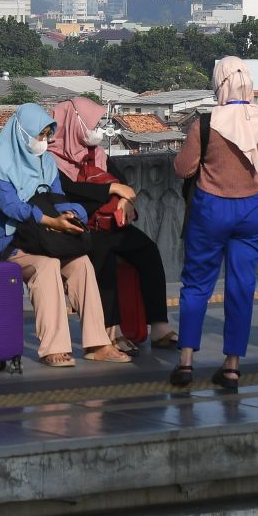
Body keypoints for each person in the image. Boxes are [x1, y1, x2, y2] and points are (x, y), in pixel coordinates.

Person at [0, 104, 131, 367]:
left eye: (47, 135)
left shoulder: (46, 162)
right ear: (21, 132)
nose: (44, 142)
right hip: (11, 242)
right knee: (47, 266)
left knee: (82, 264)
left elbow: (58, 197)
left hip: (44, 238)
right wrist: (51, 220)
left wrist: (74, 215)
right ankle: (53, 347)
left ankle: (98, 343)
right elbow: (12, 208)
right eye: (40, 135)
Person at [172, 57, 258, 389]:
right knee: (241, 287)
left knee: (196, 285)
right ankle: (232, 365)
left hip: (210, 208)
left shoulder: (205, 125)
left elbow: (183, 169)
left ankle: (186, 362)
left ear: (220, 84)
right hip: (250, 210)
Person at [49, 97, 176, 350]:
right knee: (103, 257)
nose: (96, 130)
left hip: (108, 223)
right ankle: (111, 329)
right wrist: (111, 189)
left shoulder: (97, 154)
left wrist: (124, 201)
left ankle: (159, 325)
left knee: (148, 250)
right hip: (77, 226)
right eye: (91, 124)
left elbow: (124, 184)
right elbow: (69, 190)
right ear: (74, 124)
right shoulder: (52, 159)